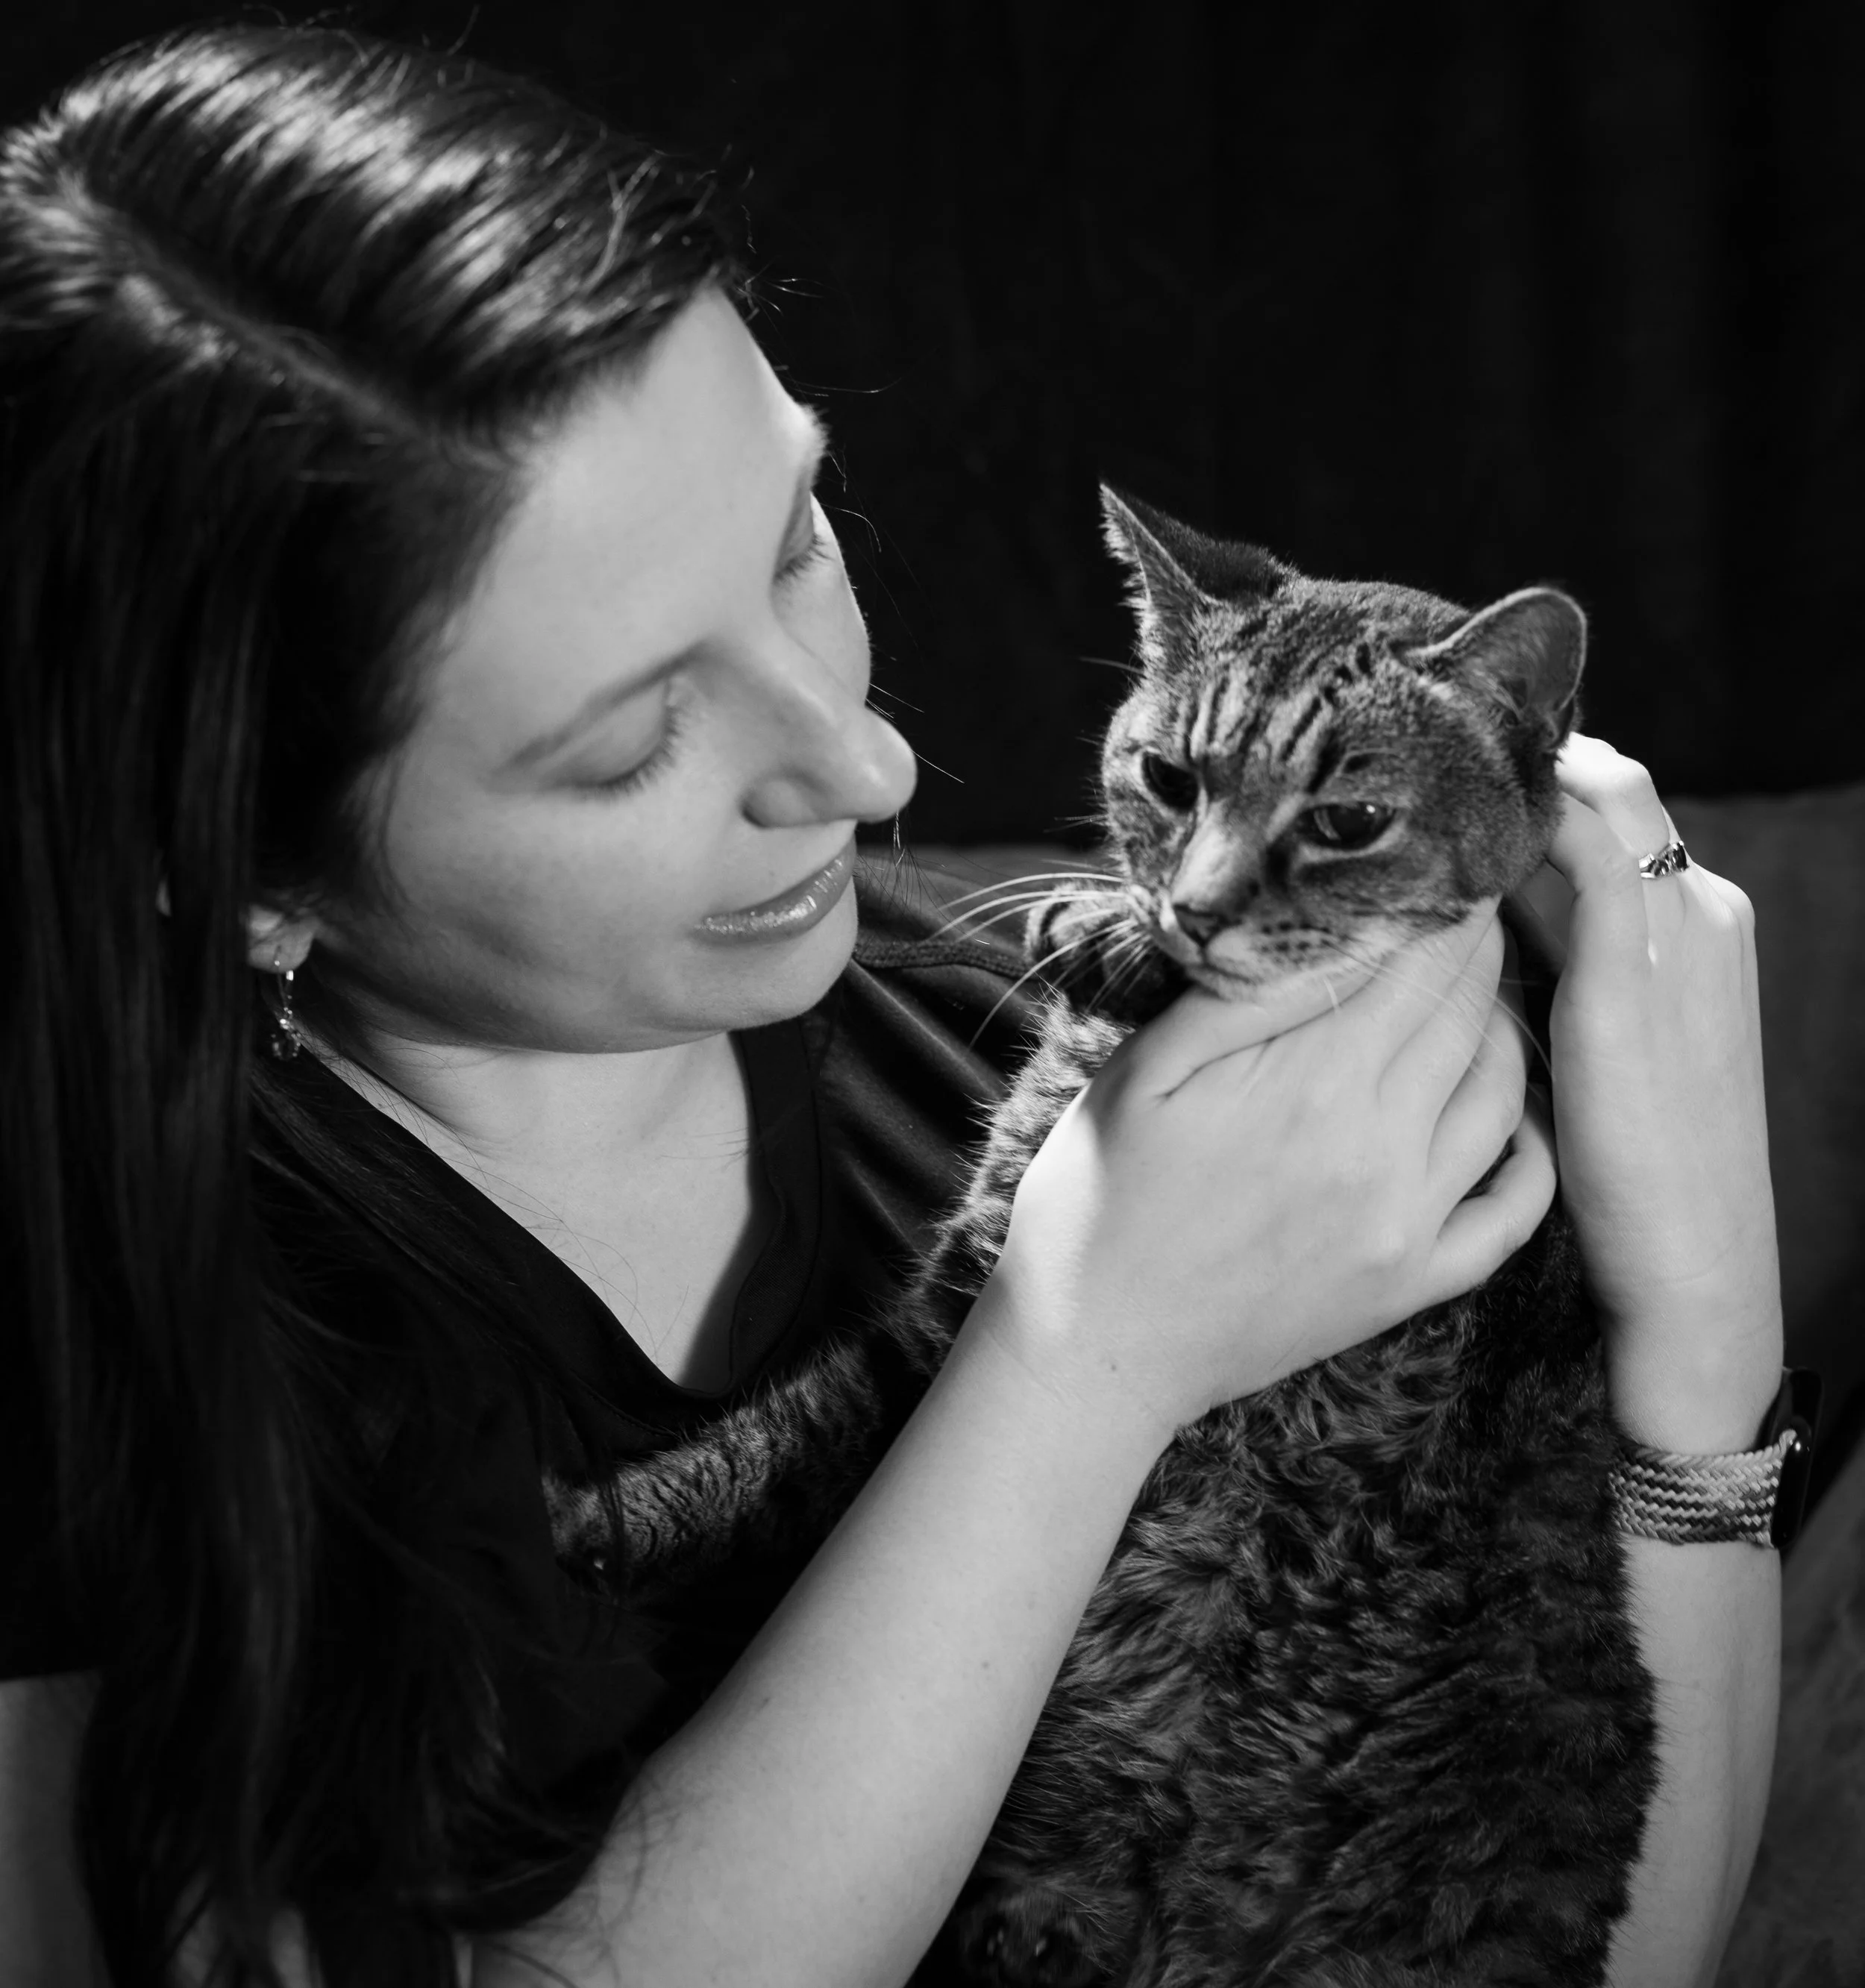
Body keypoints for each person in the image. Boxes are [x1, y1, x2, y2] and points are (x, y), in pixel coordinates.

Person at [0, 23, 1784, 1988]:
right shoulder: (120, 1346)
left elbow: (1589, 1925)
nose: (861, 766)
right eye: (625, 745)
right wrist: (1080, 1357)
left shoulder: (1029, 1017)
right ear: (252, 877)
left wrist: (1697, 1336)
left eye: (794, 542)